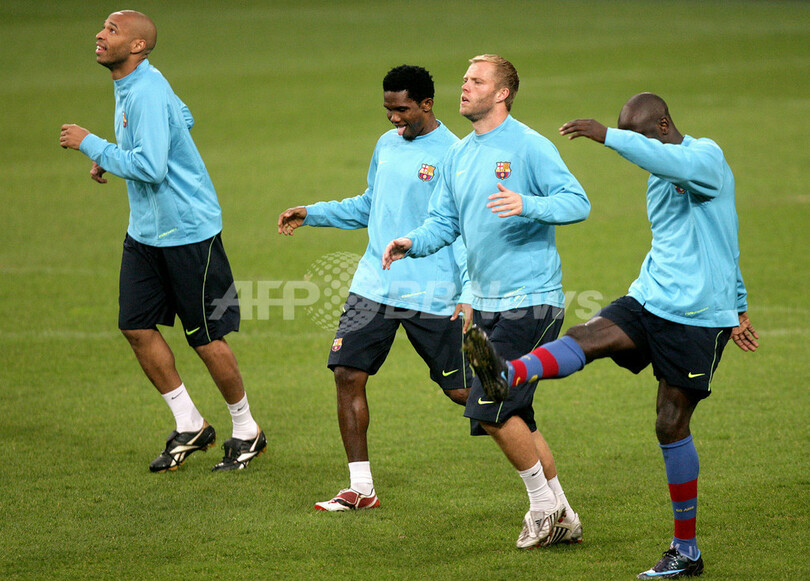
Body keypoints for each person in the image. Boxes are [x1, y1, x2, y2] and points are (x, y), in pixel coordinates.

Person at [463, 92, 758, 579]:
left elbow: (712, 220)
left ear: (663, 125)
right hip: (650, 297)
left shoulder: (706, 158)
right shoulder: (658, 177)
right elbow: (716, 236)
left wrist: (734, 307)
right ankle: (508, 373)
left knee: (670, 424)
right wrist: (742, 301)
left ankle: (686, 550)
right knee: (588, 335)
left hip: (698, 316)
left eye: (638, 137)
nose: (634, 149)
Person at [382, 55, 590, 547]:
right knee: (518, 417)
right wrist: (413, 242)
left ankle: (542, 509)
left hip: (533, 301)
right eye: (464, 80)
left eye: (476, 81)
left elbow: (577, 201)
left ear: (502, 93)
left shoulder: (529, 145)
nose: (465, 87)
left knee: (488, 406)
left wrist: (527, 204)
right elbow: (444, 223)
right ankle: (563, 514)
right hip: (487, 303)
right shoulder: (457, 155)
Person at [60, 10, 265, 472]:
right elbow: (183, 117)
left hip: (188, 233)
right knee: (135, 325)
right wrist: (119, 154)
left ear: (137, 46)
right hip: (146, 232)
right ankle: (190, 424)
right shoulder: (137, 84)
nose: (99, 34)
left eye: (111, 30)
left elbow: (152, 168)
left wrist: (92, 144)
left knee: (205, 338)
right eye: (103, 27)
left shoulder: (146, 89)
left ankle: (247, 430)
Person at [278, 65, 471, 511]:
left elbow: (461, 229)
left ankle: (528, 444)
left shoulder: (455, 154)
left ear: (427, 104)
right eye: (388, 109)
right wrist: (313, 213)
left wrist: (467, 292)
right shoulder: (386, 144)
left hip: (431, 291)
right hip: (374, 285)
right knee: (347, 373)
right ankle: (361, 487)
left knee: (462, 391)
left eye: (401, 109)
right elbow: (370, 204)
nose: (393, 118)